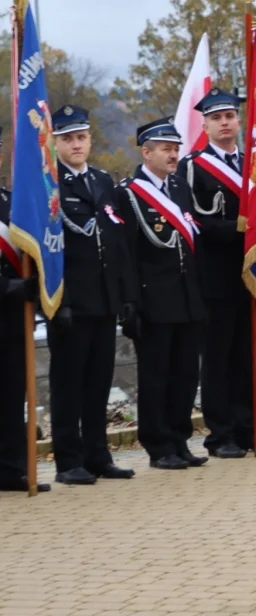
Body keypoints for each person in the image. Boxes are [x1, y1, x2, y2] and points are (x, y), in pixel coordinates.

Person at [178, 88, 256, 459]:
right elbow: (194, 222)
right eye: (216, 117)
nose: (225, 123)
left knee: (248, 357)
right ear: (204, 124)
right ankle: (220, 435)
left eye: (230, 116)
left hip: (253, 274)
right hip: (216, 278)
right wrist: (240, 228)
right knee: (218, 358)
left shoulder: (255, 164)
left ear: (239, 121)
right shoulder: (193, 166)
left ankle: (249, 428)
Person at [50, 105, 138, 484]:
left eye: (81, 137)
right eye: (68, 138)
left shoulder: (102, 181)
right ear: (55, 143)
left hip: (103, 300)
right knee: (69, 384)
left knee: (99, 382)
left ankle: (98, 455)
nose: (76, 145)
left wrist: (124, 296)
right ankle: (69, 460)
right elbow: (47, 251)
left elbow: (117, 243)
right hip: (70, 302)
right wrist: (58, 300)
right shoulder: (49, 185)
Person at [116, 118, 207, 471]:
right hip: (153, 300)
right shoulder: (127, 193)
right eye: (166, 149)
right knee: (156, 376)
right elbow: (126, 253)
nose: (173, 155)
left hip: (186, 299)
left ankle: (180, 439)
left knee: (186, 375)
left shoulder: (180, 189)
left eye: (175, 149)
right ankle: (158, 445)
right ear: (146, 152)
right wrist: (131, 304)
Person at [0, 147, 51, 492]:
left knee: (11, 395)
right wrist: (7, 286)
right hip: (6, 298)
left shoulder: (11, 202)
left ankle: (13, 468)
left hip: (12, 320)